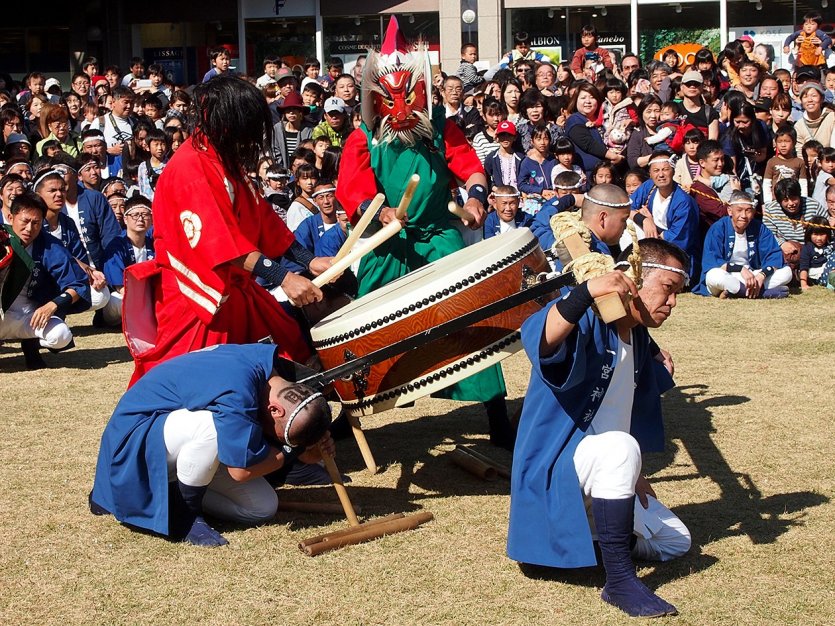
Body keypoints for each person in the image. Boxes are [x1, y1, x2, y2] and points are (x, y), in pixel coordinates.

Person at [336, 17, 515, 448]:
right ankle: (349, 409)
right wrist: (376, 212)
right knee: (367, 321)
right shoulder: (363, 135)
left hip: (437, 233)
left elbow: (470, 165)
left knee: (468, 311)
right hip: (390, 241)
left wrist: (475, 196)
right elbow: (353, 187)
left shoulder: (439, 126)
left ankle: (495, 411)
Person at [507, 237, 691, 618]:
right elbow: (538, 338)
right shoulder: (588, 315)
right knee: (620, 450)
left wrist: (632, 474)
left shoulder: (636, 336)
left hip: (599, 469)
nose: (672, 303)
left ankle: (585, 542)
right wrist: (587, 290)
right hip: (557, 467)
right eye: (668, 290)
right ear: (635, 279)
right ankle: (619, 581)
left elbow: (622, 411)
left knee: (676, 540)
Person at [124, 76, 332, 385]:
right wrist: (284, 278)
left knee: (290, 349)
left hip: (236, 289)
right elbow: (219, 242)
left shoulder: (223, 161)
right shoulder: (191, 167)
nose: (252, 138)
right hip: (199, 296)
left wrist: (307, 260)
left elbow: (261, 218)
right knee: (190, 381)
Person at [90, 343, 335, 547]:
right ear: (275, 409)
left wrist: (305, 447)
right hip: (133, 445)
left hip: (176, 446)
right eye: (285, 436)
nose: (283, 441)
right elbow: (241, 472)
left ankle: (175, 493)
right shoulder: (239, 393)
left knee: (262, 508)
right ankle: (183, 515)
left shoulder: (270, 370)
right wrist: (293, 450)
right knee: (210, 427)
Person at [0, 191, 90, 369]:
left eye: (36, 223)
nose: (29, 229)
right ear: (11, 217)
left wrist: (53, 305)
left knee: (61, 335)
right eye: (25, 221)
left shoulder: (49, 245)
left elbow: (78, 284)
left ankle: (31, 346)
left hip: (29, 315)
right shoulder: (2, 238)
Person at [697, 191, 792, 298]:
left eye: (748, 211)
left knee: (786, 272)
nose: (744, 216)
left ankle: (737, 291)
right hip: (729, 274)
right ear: (729, 210)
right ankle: (762, 294)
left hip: (753, 275)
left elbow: (773, 256)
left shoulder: (759, 228)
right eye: (739, 210)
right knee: (713, 275)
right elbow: (713, 260)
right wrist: (741, 269)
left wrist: (762, 275)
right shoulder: (718, 228)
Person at [631, 152, 701, 283]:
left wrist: (653, 228)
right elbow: (626, 208)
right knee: (629, 226)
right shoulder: (648, 186)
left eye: (665, 169)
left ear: (673, 171)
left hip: (674, 252)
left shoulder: (683, 202)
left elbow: (677, 238)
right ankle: (633, 270)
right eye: (656, 171)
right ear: (650, 174)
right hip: (652, 238)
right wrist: (644, 220)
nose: (661, 174)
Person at [102, 196, 155, 325]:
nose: (140, 219)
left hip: (148, 295)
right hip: (123, 296)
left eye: (145, 214)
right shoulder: (116, 246)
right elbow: (119, 286)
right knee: (118, 301)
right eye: (135, 215)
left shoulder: (154, 243)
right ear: (125, 219)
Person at [764, 178, 828, 270]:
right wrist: (781, 244)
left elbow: (826, 228)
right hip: (785, 248)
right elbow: (768, 234)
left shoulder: (814, 206)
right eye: (786, 200)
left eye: (794, 198)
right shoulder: (771, 209)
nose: (791, 203)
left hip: (811, 247)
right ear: (779, 201)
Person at [565, 83, 624, 177]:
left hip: (612, 173)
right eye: (583, 98)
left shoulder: (606, 119)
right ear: (575, 101)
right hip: (588, 175)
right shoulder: (574, 120)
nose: (588, 101)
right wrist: (613, 156)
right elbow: (588, 144)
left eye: (592, 97)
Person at [763, 125, 808, 203]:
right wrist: (768, 202)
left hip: (793, 201)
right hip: (776, 201)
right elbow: (767, 184)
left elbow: (803, 184)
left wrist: (803, 200)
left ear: (794, 142)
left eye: (787, 141)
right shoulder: (771, 162)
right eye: (779, 141)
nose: (783, 145)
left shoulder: (799, 162)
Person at [799, 216, 834, 289]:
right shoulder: (807, 248)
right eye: (815, 234)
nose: (819, 238)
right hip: (819, 275)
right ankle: (831, 281)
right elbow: (804, 267)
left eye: (822, 234)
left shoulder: (830, 244)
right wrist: (803, 284)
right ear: (809, 234)